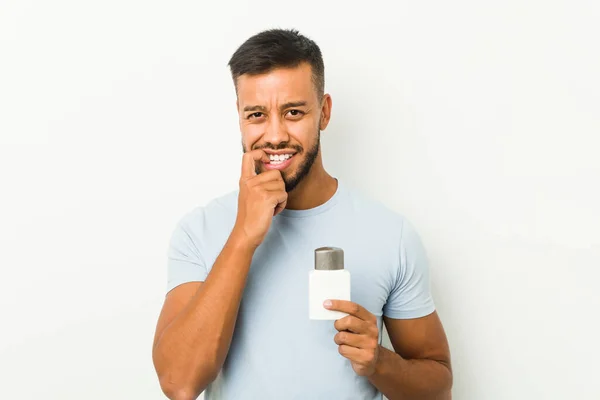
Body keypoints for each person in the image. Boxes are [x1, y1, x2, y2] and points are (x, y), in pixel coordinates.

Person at [152, 28, 452, 400]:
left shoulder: (392, 235)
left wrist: (379, 364)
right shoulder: (199, 230)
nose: (275, 135)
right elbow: (178, 383)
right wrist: (244, 236)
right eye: (257, 115)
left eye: (293, 112)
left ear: (324, 113)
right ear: (240, 117)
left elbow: (438, 388)